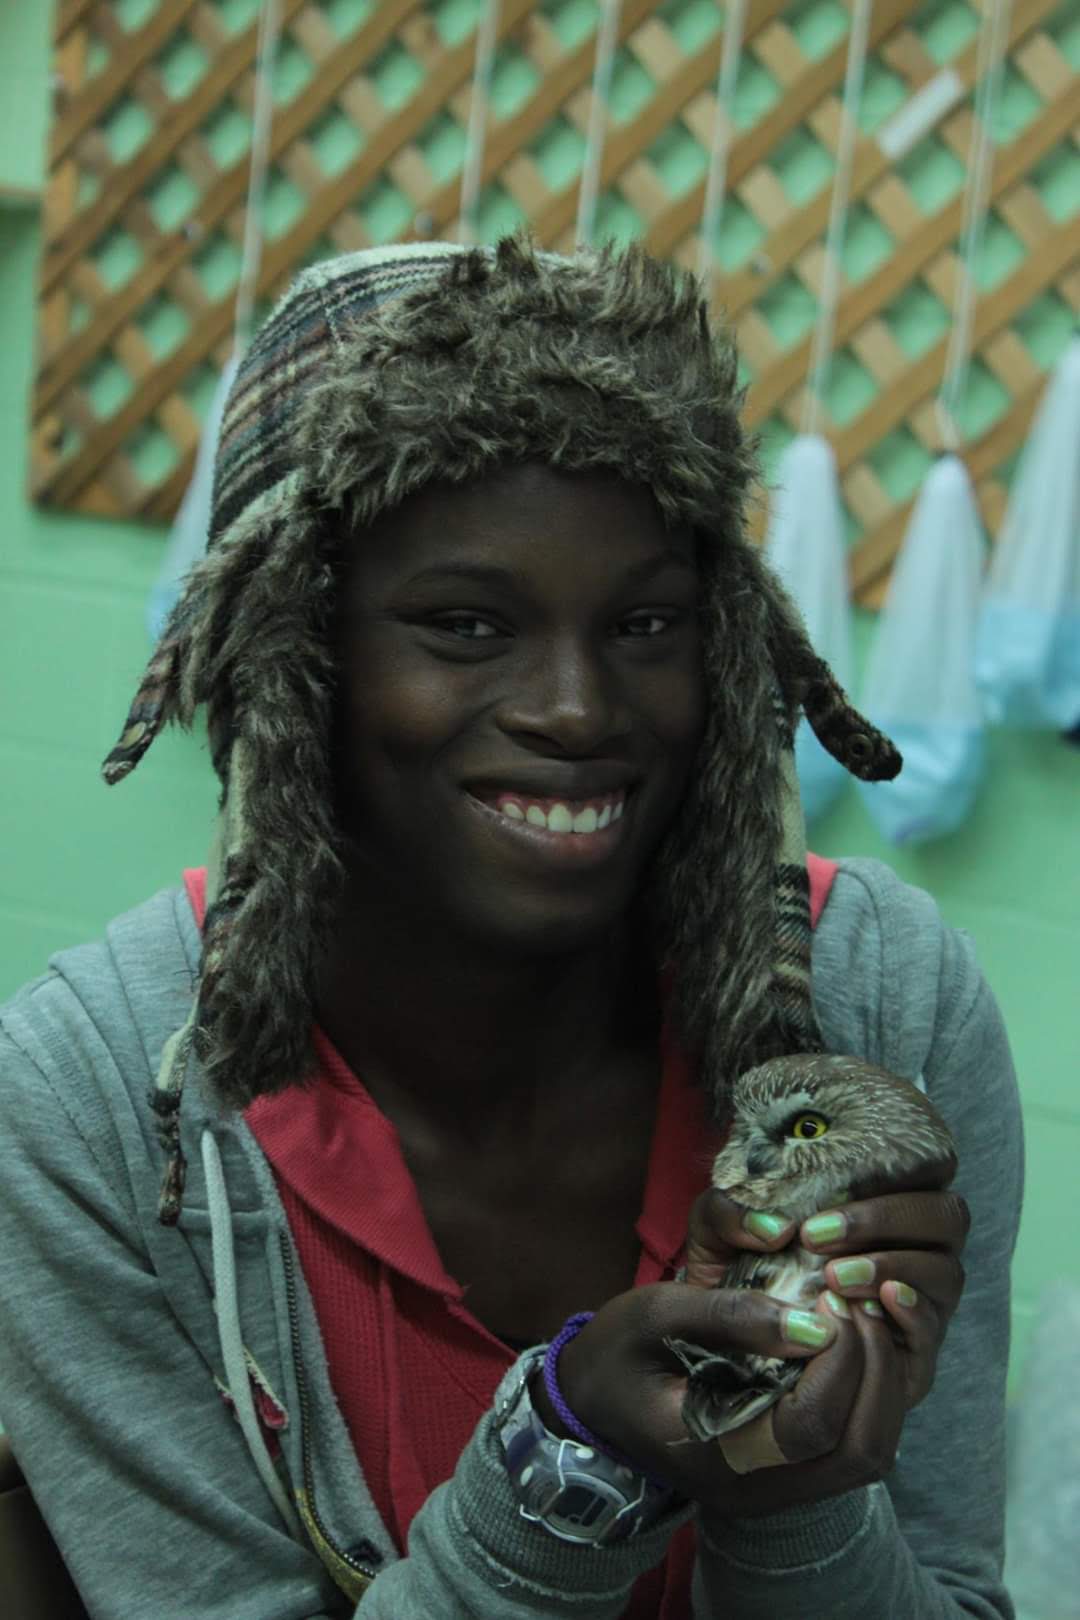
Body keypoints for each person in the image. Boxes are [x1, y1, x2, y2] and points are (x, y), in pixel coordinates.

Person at [0, 232, 1021, 1619]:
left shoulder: (874, 1009)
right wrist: (567, 1469)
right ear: (296, 659)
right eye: (467, 624)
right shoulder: (102, 1099)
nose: (579, 710)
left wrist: (788, 1487)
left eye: (648, 622)